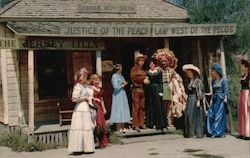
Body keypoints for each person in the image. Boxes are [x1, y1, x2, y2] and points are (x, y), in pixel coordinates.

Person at [156, 49, 187, 128]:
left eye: (165, 61)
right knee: (161, 105)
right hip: (161, 87)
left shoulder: (172, 70)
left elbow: (176, 79)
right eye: (162, 61)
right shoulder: (158, 70)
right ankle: (162, 121)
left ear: (168, 62)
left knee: (169, 105)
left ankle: (169, 121)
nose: (164, 63)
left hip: (168, 88)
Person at [68, 68, 95, 154]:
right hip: (80, 108)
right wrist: (84, 98)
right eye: (83, 76)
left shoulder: (86, 86)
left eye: (86, 75)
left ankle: (87, 148)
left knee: (86, 126)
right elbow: (74, 99)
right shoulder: (78, 87)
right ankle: (77, 148)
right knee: (79, 126)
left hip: (86, 107)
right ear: (79, 77)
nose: (85, 77)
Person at [182, 64, 205, 138]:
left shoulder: (197, 81)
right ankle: (190, 132)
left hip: (195, 99)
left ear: (193, 73)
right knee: (188, 115)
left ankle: (196, 132)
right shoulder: (189, 81)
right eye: (187, 73)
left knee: (195, 115)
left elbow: (200, 91)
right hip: (190, 100)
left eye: (189, 72)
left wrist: (198, 100)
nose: (188, 74)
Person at [206, 63, 228, 137]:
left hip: (221, 100)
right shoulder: (213, 81)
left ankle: (218, 132)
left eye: (213, 71)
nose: (212, 73)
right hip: (215, 99)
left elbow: (226, 90)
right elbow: (213, 92)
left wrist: (225, 98)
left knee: (219, 116)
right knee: (210, 113)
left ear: (217, 72)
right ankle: (211, 131)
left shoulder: (223, 80)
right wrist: (210, 98)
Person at [145, 59, 166, 131]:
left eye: (153, 64)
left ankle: (159, 124)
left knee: (158, 105)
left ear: (155, 65)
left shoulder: (159, 72)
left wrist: (161, 91)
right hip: (150, 90)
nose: (151, 65)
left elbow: (161, 82)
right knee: (151, 106)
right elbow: (146, 81)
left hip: (157, 89)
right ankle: (151, 123)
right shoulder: (147, 72)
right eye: (150, 64)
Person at [110, 64, 131, 133]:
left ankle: (123, 126)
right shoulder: (114, 76)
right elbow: (115, 86)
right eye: (120, 67)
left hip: (122, 93)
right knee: (118, 108)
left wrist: (124, 83)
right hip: (117, 94)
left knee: (123, 108)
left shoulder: (121, 75)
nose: (121, 69)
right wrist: (122, 85)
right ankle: (118, 127)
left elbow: (123, 82)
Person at [130, 50, 148, 132]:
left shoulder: (143, 70)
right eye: (140, 61)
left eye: (143, 61)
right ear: (137, 61)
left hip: (142, 90)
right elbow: (134, 78)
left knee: (142, 107)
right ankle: (135, 124)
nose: (142, 62)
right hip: (136, 89)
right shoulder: (134, 69)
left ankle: (141, 123)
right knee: (136, 107)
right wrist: (143, 79)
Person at [90, 74, 109, 148]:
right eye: (95, 80)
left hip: (99, 107)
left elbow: (101, 100)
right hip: (93, 107)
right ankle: (96, 141)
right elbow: (90, 97)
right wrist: (94, 99)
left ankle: (103, 142)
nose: (97, 81)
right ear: (92, 81)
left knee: (101, 123)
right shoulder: (91, 89)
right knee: (96, 124)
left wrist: (104, 108)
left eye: (98, 80)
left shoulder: (100, 89)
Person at [237, 59, 250, 140]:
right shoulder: (243, 76)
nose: (242, 68)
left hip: (247, 94)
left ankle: (248, 133)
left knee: (246, 113)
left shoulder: (249, 76)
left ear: (247, 68)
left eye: (243, 67)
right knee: (241, 113)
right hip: (242, 94)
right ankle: (242, 132)